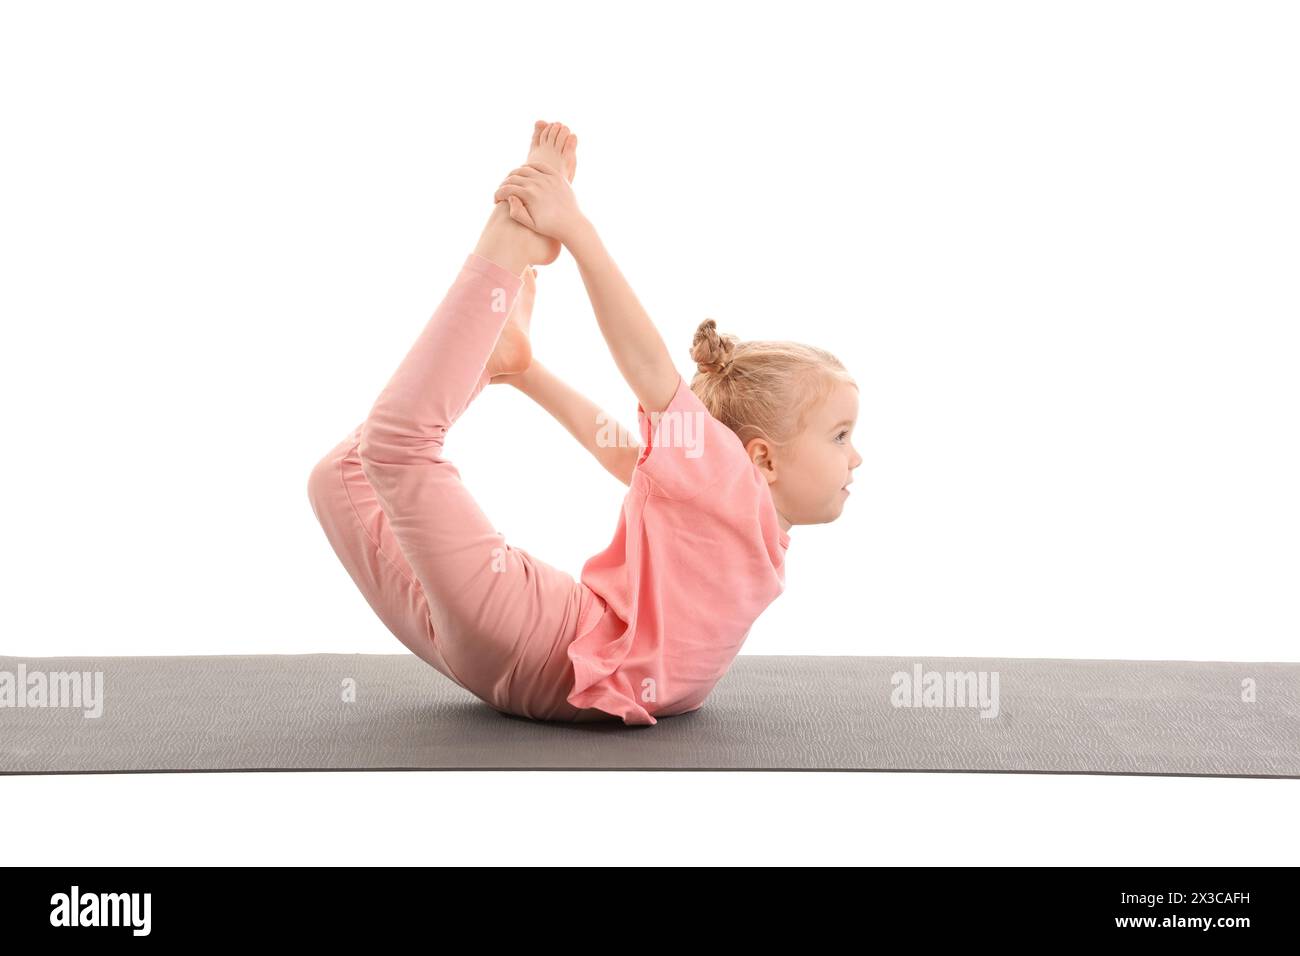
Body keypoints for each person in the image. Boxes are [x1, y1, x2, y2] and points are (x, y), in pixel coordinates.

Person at [308, 120, 861, 726]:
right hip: (541, 645)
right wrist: (574, 230)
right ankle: (510, 242)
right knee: (361, 465)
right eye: (840, 435)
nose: (855, 457)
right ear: (762, 458)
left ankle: (499, 354)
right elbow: (647, 364)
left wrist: (529, 374)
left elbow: (621, 453)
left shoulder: (729, 512)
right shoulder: (728, 477)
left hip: (513, 669)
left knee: (363, 462)